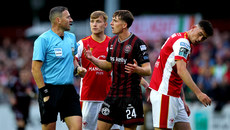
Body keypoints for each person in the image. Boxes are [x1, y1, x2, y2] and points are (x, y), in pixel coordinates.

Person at [84, 10, 152, 130]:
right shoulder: (113, 42)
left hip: (131, 96)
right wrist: (92, 59)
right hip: (113, 94)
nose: (111, 23)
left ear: (124, 25)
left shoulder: (137, 43)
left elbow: (147, 70)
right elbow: (109, 65)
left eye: (115, 21)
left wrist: (136, 69)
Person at [148, 20, 213, 130]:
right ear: (193, 27)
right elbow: (181, 71)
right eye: (200, 34)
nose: (200, 39)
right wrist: (199, 93)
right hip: (165, 94)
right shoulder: (183, 42)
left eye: (204, 38)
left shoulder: (180, 38)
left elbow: (177, 74)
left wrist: (181, 99)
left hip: (174, 96)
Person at [31, 6, 86, 130]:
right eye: (68, 17)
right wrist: (44, 93)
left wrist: (78, 69)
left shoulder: (71, 37)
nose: (71, 19)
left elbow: (72, 59)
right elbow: (35, 69)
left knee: (77, 127)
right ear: (58, 20)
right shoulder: (43, 40)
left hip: (68, 90)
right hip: (49, 90)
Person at [75, 10, 120, 130]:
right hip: (88, 99)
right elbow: (72, 61)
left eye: (98, 21)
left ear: (105, 24)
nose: (94, 24)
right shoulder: (82, 44)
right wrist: (78, 68)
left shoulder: (113, 44)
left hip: (110, 98)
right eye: (92, 21)